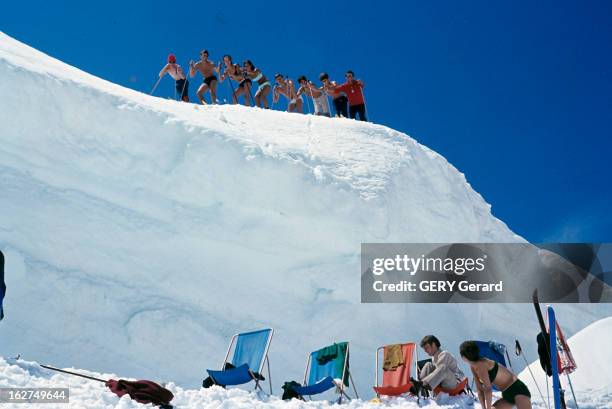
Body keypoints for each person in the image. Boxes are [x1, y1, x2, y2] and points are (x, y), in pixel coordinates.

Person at [460, 341, 532, 409]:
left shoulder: (481, 364)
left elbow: (488, 389)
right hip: (508, 394)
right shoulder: (473, 366)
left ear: (464, 356)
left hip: (518, 390)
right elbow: (480, 390)